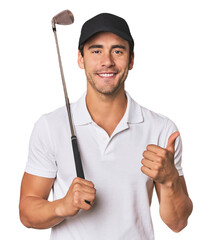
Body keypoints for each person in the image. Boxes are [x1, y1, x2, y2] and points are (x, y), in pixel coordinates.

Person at [19, 13, 193, 240]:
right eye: (96, 50)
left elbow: (178, 223)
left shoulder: (161, 130)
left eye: (118, 51)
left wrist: (170, 180)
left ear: (131, 60)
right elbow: (26, 212)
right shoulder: (50, 127)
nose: (107, 61)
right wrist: (62, 206)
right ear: (81, 59)